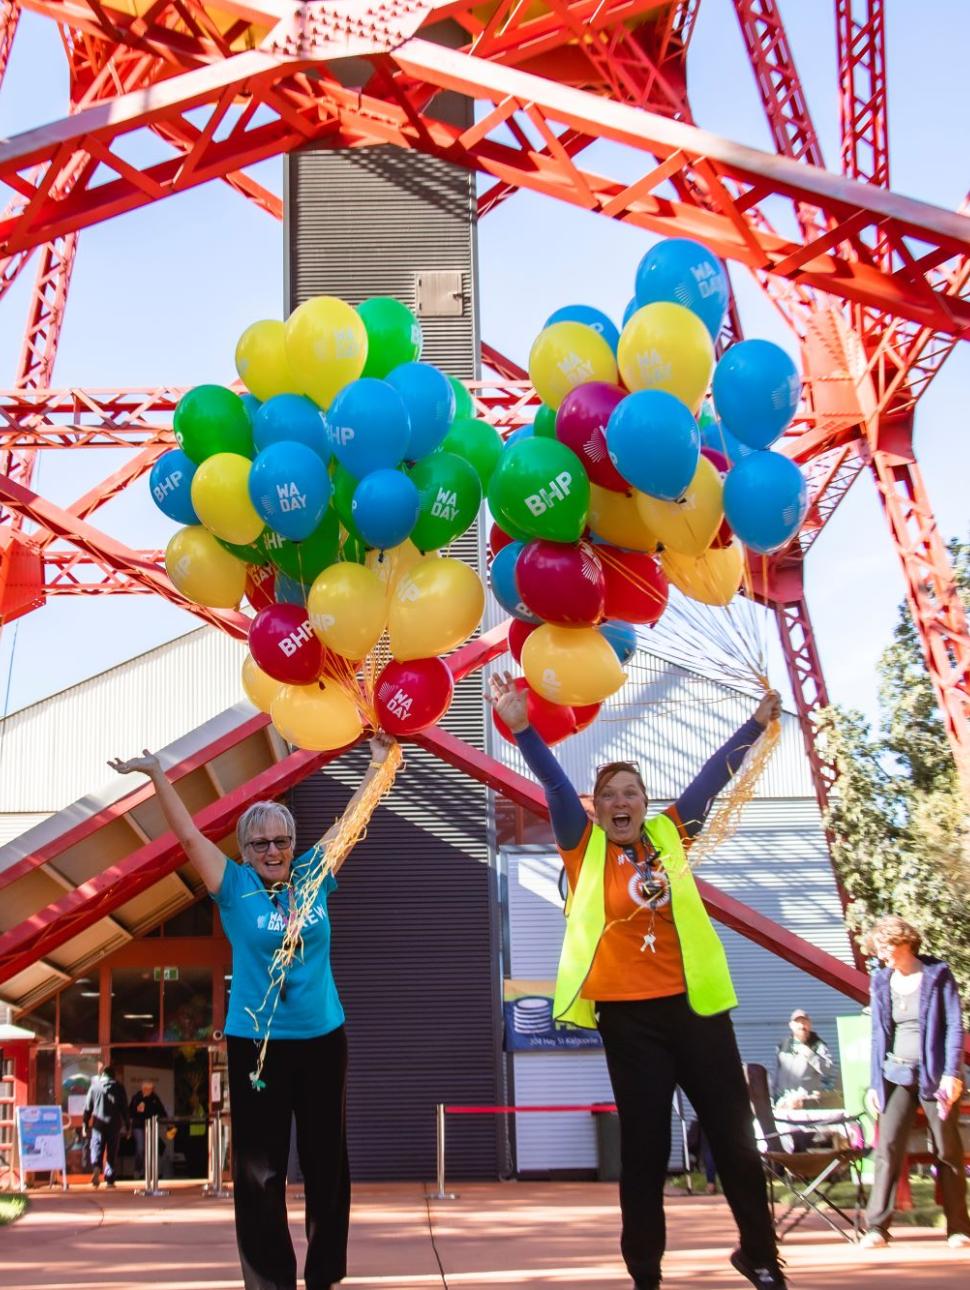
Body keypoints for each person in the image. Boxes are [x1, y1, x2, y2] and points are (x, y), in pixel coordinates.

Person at [488, 674, 786, 1290]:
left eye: (631, 793)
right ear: (597, 809)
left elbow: (712, 776)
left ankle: (760, 1255)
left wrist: (756, 725)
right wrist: (522, 727)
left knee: (734, 1141)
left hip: (698, 1011)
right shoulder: (582, 845)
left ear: (645, 804)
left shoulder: (670, 835)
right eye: (610, 796)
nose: (620, 803)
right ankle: (645, 1274)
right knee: (645, 1153)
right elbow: (553, 783)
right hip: (629, 1020)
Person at [109, 733, 395, 1290]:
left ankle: (323, 1275)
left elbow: (354, 818)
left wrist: (379, 765)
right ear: (244, 848)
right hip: (256, 1046)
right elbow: (188, 837)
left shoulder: (314, 874)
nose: (272, 851)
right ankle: (269, 1280)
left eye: (281, 840)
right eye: (260, 842)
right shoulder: (232, 885)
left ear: (293, 843)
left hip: (322, 1040)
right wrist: (157, 775)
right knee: (260, 1171)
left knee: (325, 1164)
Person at [859, 914, 970, 1250]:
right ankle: (877, 1227)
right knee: (887, 1147)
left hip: (935, 1076)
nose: (881, 954)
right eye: (878, 949)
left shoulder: (938, 975)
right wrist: (875, 1084)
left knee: (947, 1149)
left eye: (884, 947)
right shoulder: (880, 981)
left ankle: (958, 1228)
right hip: (895, 1073)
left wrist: (952, 1073)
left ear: (903, 942)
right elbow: (878, 1035)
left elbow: (953, 1027)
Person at [82, 1064, 130, 1188]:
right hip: (114, 1123)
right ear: (114, 1076)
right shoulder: (119, 1087)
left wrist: (84, 1124)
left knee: (97, 1146)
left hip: (98, 1123)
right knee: (112, 1150)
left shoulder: (94, 1087)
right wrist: (128, 1125)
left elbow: (87, 1108)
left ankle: (97, 1167)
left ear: (103, 1075)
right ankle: (109, 1178)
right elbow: (124, 1108)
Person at [773, 1009, 834, 1107]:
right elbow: (776, 1073)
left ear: (810, 1025)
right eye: (798, 1023)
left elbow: (828, 1069)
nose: (801, 1026)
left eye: (804, 1022)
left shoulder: (818, 1045)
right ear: (791, 1025)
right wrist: (774, 1097)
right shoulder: (783, 1045)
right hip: (784, 1102)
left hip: (807, 1102)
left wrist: (810, 1055)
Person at [129, 1078, 168, 1179]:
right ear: (144, 1089)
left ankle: (150, 1172)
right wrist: (137, 1111)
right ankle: (138, 1171)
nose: (151, 1091)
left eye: (152, 1089)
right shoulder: (137, 1097)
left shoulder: (155, 1098)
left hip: (151, 1126)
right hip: (138, 1126)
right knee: (140, 1148)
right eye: (149, 1089)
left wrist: (167, 1122)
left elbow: (162, 1111)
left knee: (152, 1149)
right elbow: (131, 1112)